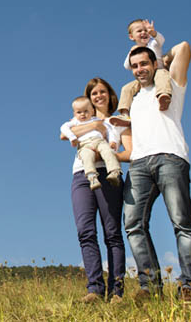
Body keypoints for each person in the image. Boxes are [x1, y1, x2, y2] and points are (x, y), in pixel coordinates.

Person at [122, 41, 191, 301]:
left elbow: (185, 47)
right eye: (134, 66)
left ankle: (188, 284)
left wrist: (161, 58)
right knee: (133, 225)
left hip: (170, 157)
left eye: (144, 63)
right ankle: (150, 287)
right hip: (139, 164)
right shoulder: (133, 97)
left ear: (155, 63)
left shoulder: (171, 85)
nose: (139, 69)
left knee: (182, 222)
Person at [60, 78, 131, 304]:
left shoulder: (119, 121)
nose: (98, 96)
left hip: (108, 175)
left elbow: (129, 152)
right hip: (81, 175)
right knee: (85, 232)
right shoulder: (80, 118)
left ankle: (116, 291)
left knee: (112, 233)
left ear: (110, 95)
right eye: (94, 93)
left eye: (102, 92)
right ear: (88, 100)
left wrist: (106, 152)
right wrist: (95, 125)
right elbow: (64, 134)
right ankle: (95, 289)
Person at [113, 19, 173, 125]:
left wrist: (154, 33)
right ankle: (124, 114)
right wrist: (132, 52)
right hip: (143, 78)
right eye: (139, 31)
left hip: (157, 71)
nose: (143, 33)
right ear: (132, 37)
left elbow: (161, 40)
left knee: (162, 76)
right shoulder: (134, 51)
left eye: (146, 30)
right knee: (126, 88)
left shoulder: (153, 44)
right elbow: (127, 66)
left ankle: (163, 96)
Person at [60, 96, 121, 190]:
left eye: (86, 111)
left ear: (92, 111)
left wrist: (112, 141)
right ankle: (92, 177)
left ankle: (114, 172)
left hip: (100, 141)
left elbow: (109, 130)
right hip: (85, 145)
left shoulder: (96, 120)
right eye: (79, 112)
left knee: (108, 151)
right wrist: (72, 138)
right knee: (86, 156)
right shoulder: (75, 122)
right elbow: (63, 129)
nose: (83, 114)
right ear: (74, 113)